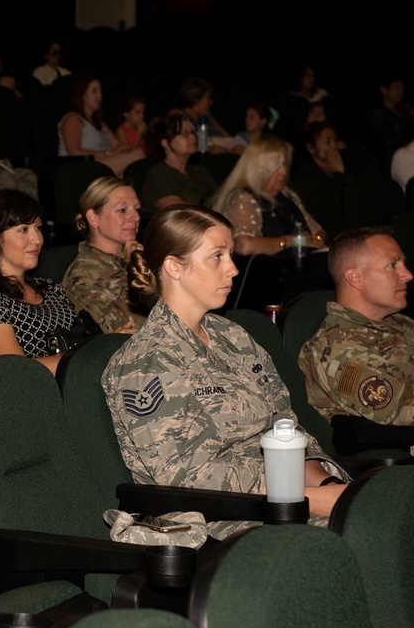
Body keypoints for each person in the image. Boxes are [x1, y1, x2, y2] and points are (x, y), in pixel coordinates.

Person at [100, 204, 348, 538]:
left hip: (288, 499)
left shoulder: (232, 336)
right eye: (217, 256)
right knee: (363, 534)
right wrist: (308, 499)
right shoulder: (146, 362)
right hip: (222, 521)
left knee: (383, 515)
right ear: (173, 267)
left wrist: (329, 485)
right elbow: (188, 481)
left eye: (230, 254)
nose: (233, 269)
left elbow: (285, 428)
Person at [299, 226, 414, 425]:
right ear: (355, 278)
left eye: (403, 264)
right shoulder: (336, 347)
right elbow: (395, 408)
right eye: (393, 265)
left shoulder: (399, 322)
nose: (408, 275)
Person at [0, 189, 75, 375]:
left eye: (38, 227)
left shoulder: (49, 288)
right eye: (23, 229)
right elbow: (20, 373)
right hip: (32, 399)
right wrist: (85, 359)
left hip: (76, 385)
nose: (37, 239)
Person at [208, 136, 327, 256]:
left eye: (285, 164)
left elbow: (319, 231)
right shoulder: (244, 197)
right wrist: (292, 241)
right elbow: (244, 246)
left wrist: (315, 241)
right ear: (258, 168)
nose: (284, 172)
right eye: (276, 166)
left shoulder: (287, 197)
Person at [62, 177, 147, 333]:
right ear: (94, 218)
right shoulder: (83, 276)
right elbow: (125, 330)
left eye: (137, 208)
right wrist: (134, 269)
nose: (136, 217)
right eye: (122, 210)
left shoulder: (138, 255)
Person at [57, 76, 146, 177]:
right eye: (94, 91)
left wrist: (122, 148)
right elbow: (74, 152)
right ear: (82, 95)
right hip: (80, 168)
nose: (100, 95)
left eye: (100, 91)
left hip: (101, 164)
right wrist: (108, 153)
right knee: (140, 154)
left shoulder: (100, 123)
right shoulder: (73, 118)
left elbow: (119, 145)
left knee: (134, 167)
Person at [140, 113, 217, 215]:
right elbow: (179, 213)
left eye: (192, 132)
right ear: (166, 143)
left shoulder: (199, 170)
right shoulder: (159, 175)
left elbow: (219, 200)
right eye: (185, 133)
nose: (193, 137)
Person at [174, 76, 231, 142]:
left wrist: (211, 118)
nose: (211, 102)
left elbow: (231, 141)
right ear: (196, 98)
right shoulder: (179, 117)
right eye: (208, 97)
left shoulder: (207, 120)